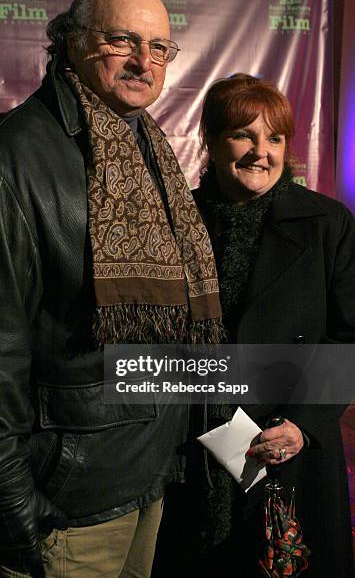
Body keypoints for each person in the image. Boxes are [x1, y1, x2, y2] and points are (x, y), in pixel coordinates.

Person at [0, 0, 224, 578]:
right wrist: (12, 505)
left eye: (159, 47)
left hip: (149, 479)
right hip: (69, 502)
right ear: (71, 42)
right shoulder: (11, 160)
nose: (144, 61)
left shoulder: (147, 147)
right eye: (121, 39)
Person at [153, 74, 354, 578]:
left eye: (276, 138)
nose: (261, 152)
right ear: (212, 141)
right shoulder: (177, 223)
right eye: (244, 134)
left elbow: (350, 336)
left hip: (286, 443)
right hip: (188, 449)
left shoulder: (328, 223)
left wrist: (303, 424)